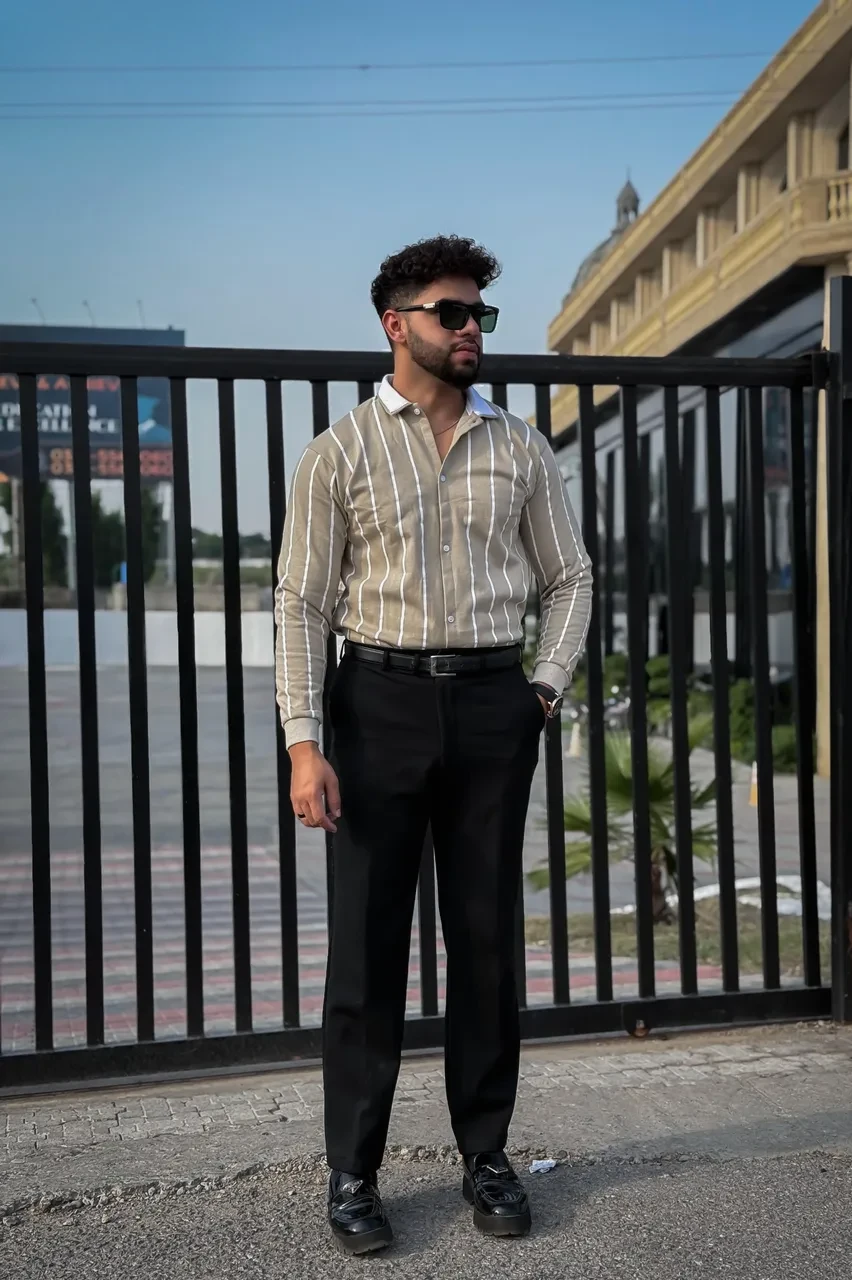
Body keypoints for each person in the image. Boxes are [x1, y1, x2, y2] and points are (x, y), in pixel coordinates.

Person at [275, 235, 592, 1255]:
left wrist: (541, 688)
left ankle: (486, 1155)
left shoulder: (522, 447)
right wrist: (303, 741)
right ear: (396, 324)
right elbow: (299, 604)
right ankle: (352, 1172)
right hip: (376, 707)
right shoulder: (342, 452)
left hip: (496, 705)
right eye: (452, 313)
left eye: (480, 315)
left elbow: (572, 578)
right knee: (366, 954)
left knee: (488, 942)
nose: (470, 330)